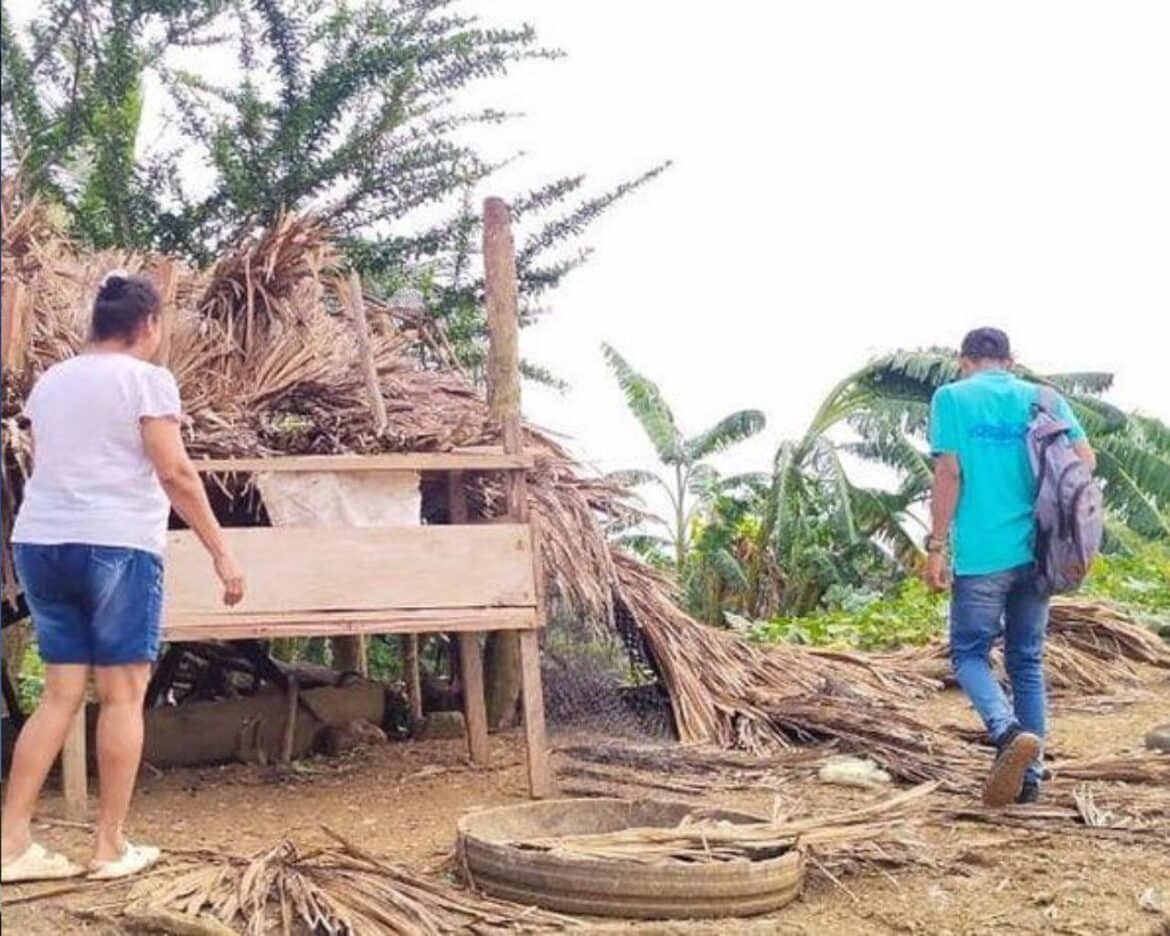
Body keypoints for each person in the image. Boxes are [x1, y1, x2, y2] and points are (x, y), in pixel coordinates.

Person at [0, 272, 245, 883]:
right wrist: (221, 552)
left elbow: (50, 463)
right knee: (121, 696)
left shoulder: (51, 382)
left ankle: (11, 842)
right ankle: (109, 845)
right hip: (116, 545)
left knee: (59, 695)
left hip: (40, 542)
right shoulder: (146, 380)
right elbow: (175, 472)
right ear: (149, 325)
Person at [926, 327, 1095, 807]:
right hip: (1039, 551)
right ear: (1010, 360)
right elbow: (1085, 461)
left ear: (963, 360)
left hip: (983, 554)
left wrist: (936, 546)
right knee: (1026, 660)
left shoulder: (952, 398)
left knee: (969, 653)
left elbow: (949, 473)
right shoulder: (1044, 398)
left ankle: (1006, 732)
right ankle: (1031, 778)